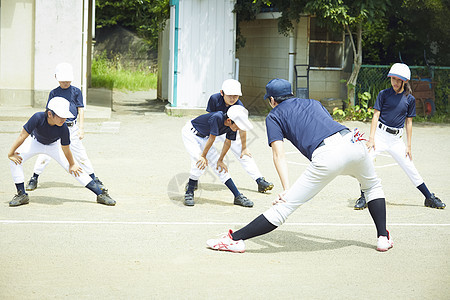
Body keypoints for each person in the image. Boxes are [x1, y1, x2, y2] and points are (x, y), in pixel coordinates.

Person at [206, 78, 393, 252]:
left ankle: (235, 239)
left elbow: (279, 154)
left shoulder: (273, 116)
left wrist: (287, 189)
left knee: (284, 207)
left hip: (327, 155)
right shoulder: (313, 102)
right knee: (372, 186)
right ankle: (383, 238)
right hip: (353, 141)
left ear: (272, 100)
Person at [353, 63, 445, 210]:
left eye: (398, 79)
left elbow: (409, 123)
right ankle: (364, 197)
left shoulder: (410, 99)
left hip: (396, 140)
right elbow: (376, 116)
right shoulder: (383, 94)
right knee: (367, 160)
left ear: (405, 81)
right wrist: (371, 138)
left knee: (409, 166)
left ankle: (429, 197)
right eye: (392, 79)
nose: (394, 82)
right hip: (380, 136)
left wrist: (408, 146)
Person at [8, 97, 115, 207]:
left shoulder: (63, 128)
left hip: (54, 146)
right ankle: (22, 194)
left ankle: (101, 194)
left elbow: (66, 148)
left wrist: (72, 164)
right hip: (34, 142)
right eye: (61, 116)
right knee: (14, 161)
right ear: (50, 114)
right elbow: (22, 135)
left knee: (76, 169)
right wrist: (11, 153)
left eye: (65, 116)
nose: (64, 119)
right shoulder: (37, 117)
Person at [24, 63, 105, 192]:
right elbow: (48, 113)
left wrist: (81, 128)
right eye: (63, 81)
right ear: (56, 77)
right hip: (56, 128)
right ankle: (34, 177)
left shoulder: (76, 91)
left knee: (81, 154)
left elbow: (81, 110)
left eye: (68, 81)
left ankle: (93, 178)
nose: (65, 83)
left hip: (71, 128)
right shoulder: (54, 92)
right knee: (45, 155)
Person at [204, 79, 274, 193]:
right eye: (230, 95)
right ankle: (194, 180)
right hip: (214, 130)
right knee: (202, 152)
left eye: (236, 96)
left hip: (230, 130)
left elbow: (242, 127)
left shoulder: (239, 106)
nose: (232, 99)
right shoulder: (214, 99)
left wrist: (244, 147)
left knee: (244, 154)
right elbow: (209, 118)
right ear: (222, 93)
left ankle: (259, 180)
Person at [182, 105, 254, 207]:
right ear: (229, 120)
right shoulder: (217, 117)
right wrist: (203, 156)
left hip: (205, 138)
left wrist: (220, 160)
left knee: (219, 166)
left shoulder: (232, 127)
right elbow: (212, 138)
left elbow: (228, 142)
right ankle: (189, 192)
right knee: (199, 161)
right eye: (238, 125)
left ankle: (237, 196)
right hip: (190, 134)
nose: (239, 128)